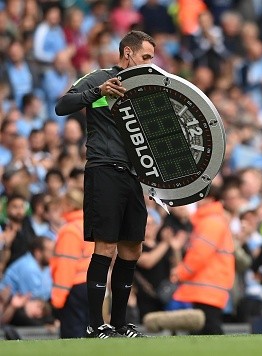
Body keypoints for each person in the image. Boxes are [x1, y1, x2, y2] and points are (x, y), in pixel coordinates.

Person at [55, 30, 156, 338]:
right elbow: (62, 106)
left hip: (133, 175)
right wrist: (98, 92)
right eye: (146, 56)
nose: (150, 62)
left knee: (132, 248)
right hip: (103, 169)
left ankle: (121, 323)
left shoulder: (148, 87)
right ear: (128, 53)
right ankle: (95, 324)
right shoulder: (99, 79)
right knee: (107, 246)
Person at [172, 184, 235, 335]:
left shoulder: (211, 222)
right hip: (209, 285)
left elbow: (199, 254)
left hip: (207, 285)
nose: (196, 200)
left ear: (209, 198)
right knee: (205, 329)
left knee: (209, 328)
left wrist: (180, 273)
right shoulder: (212, 220)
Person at [50, 188, 93, 338]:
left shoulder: (70, 230)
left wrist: (57, 299)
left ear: (69, 204)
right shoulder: (89, 225)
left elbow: (66, 266)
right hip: (91, 286)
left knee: (72, 337)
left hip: (75, 289)